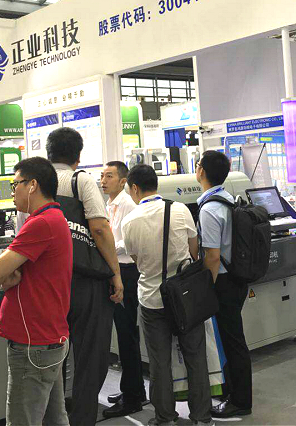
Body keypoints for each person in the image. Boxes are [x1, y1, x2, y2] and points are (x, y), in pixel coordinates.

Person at [122, 164, 212, 426]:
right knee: (196, 357)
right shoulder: (181, 210)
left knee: (159, 362)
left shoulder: (130, 221)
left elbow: (136, 260)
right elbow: (194, 251)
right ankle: (201, 417)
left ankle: (165, 418)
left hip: (152, 299)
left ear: (135, 188)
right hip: (185, 297)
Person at [46, 127, 123, 426]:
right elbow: (100, 229)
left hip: (49, 283)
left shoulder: (36, 182)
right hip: (85, 281)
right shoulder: (81, 180)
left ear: (49, 153)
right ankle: (82, 419)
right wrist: (115, 273)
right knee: (90, 357)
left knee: (52, 356)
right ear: (77, 155)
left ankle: (54, 419)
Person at [0, 158, 72, 426]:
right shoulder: (54, 218)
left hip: (33, 342)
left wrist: (9, 276)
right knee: (55, 418)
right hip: (48, 337)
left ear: (32, 185)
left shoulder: (41, 223)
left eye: (16, 185)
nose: (13, 192)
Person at [197, 150, 251, 419]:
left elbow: (212, 256)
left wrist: (206, 288)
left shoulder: (209, 209)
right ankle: (233, 390)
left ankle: (240, 401)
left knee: (232, 341)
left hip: (223, 281)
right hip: (237, 277)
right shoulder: (229, 199)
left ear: (201, 172)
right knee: (232, 338)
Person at [100, 161, 147, 418]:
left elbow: (127, 242)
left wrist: (104, 246)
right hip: (116, 271)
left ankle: (133, 398)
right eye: (102, 176)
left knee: (127, 335)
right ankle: (134, 388)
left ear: (123, 181)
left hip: (127, 273)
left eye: (109, 176)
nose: (103, 181)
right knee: (125, 335)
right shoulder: (110, 204)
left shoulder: (128, 204)